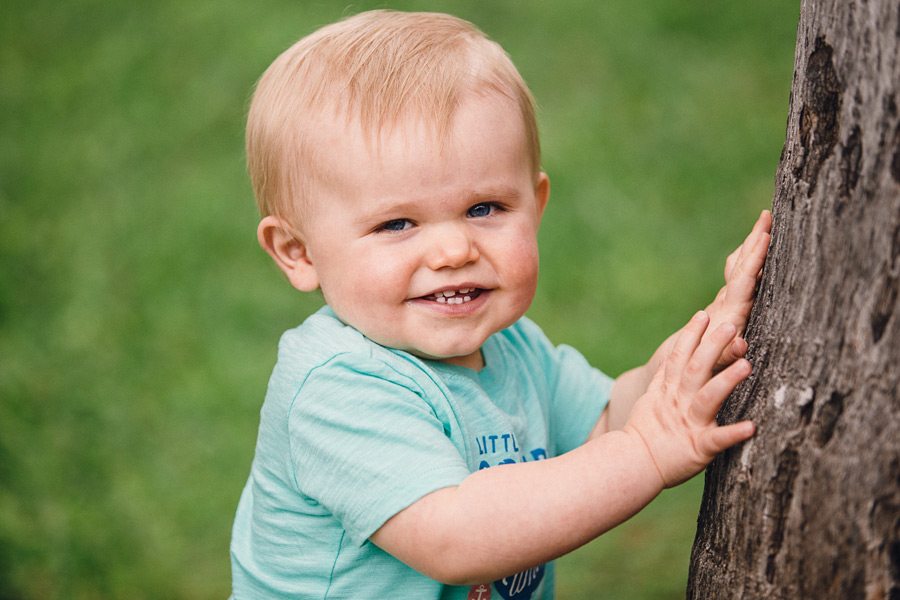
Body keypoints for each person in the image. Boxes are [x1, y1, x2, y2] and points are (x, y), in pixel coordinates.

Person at [230, 9, 772, 599]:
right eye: (397, 223)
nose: (454, 249)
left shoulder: (514, 349)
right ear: (298, 251)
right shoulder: (336, 388)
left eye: (484, 208)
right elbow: (455, 537)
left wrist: (701, 348)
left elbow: (608, 418)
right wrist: (645, 454)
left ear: (535, 205)